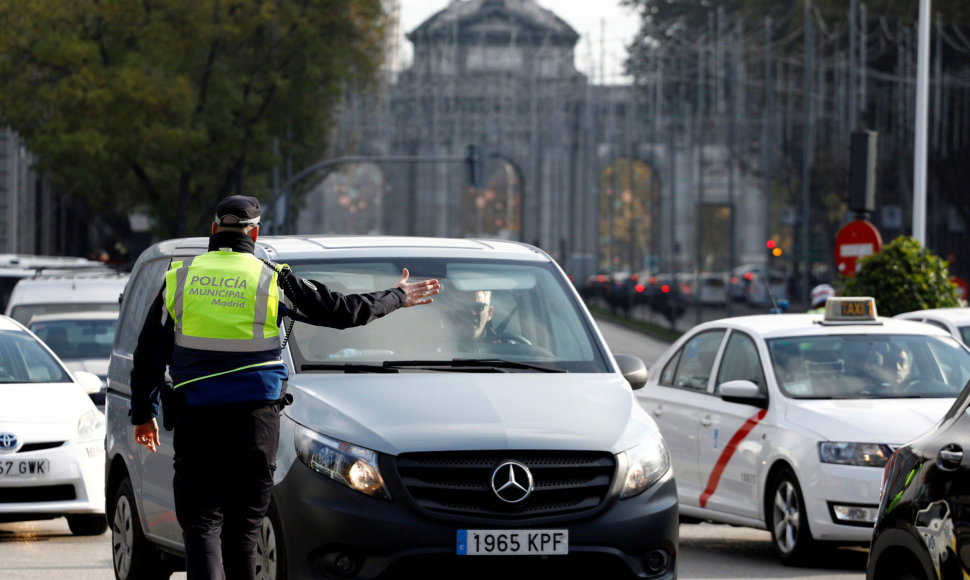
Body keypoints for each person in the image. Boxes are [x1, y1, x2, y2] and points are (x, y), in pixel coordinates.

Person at [129, 195, 440, 579]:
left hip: (197, 417)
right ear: (255, 233)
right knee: (243, 530)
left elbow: (147, 355)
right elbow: (341, 311)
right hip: (254, 421)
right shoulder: (272, 278)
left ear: (213, 231)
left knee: (201, 524)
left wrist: (143, 415)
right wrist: (396, 296)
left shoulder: (180, 278)